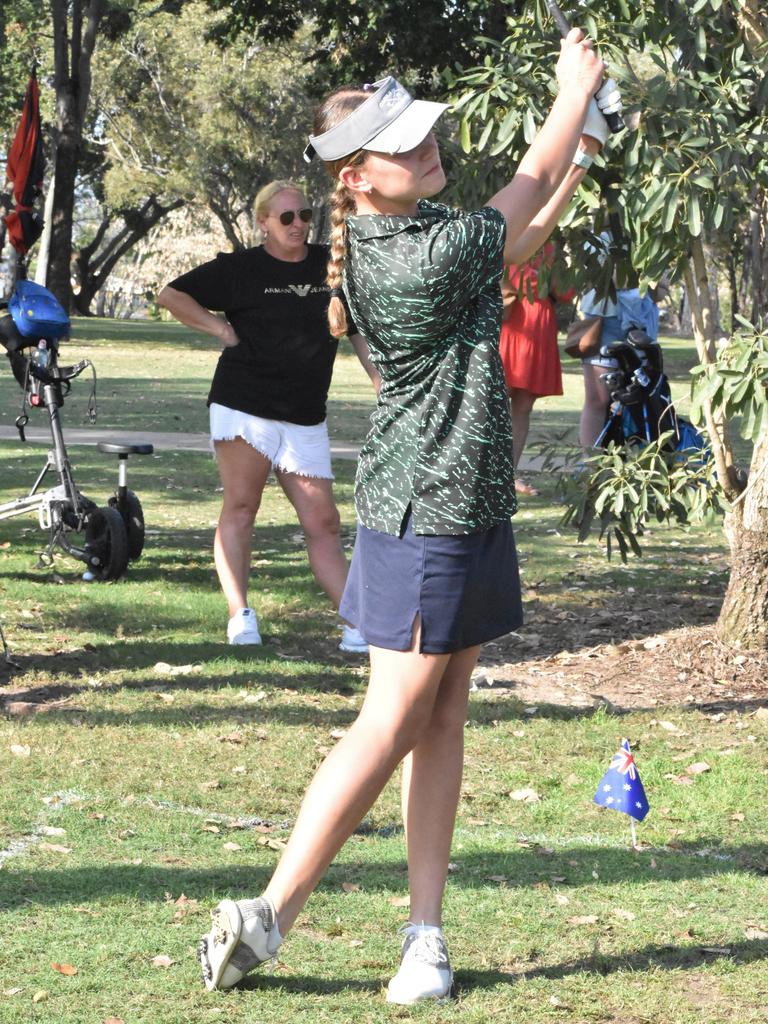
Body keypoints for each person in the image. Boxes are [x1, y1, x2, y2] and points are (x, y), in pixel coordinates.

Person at [197, 32, 620, 1004]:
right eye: (403, 143)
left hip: (466, 502)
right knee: (390, 721)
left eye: (427, 132)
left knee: (444, 717)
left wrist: (578, 152)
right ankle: (271, 913)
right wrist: (571, 95)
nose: (428, 147)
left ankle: (425, 939)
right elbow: (525, 185)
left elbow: (522, 231)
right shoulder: (410, 259)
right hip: (423, 510)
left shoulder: (424, 237)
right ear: (359, 180)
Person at [158, 181, 378, 651]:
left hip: (305, 413)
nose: (298, 224)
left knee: (324, 522)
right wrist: (221, 328)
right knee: (241, 508)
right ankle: (240, 615)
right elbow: (171, 294)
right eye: (286, 218)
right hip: (244, 406)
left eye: (304, 214)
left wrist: (379, 379)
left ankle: (357, 624)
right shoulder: (240, 269)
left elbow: (354, 326)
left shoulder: (332, 265)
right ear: (262, 224)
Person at [499, 242, 574, 494]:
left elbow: (564, 292)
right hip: (522, 320)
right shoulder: (546, 246)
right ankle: (502, 473)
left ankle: (506, 474)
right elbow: (564, 292)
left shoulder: (517, 236)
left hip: (520, 320)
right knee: (513, 405)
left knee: (515, 405)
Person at [577, 237, 661, 447]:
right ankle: (591, 468)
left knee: (641, 394)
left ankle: (637, 466)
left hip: (640, 317)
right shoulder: (596, 235)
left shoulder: (647, 231)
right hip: (601, 316)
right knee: (598, 399)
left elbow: (658, 284)